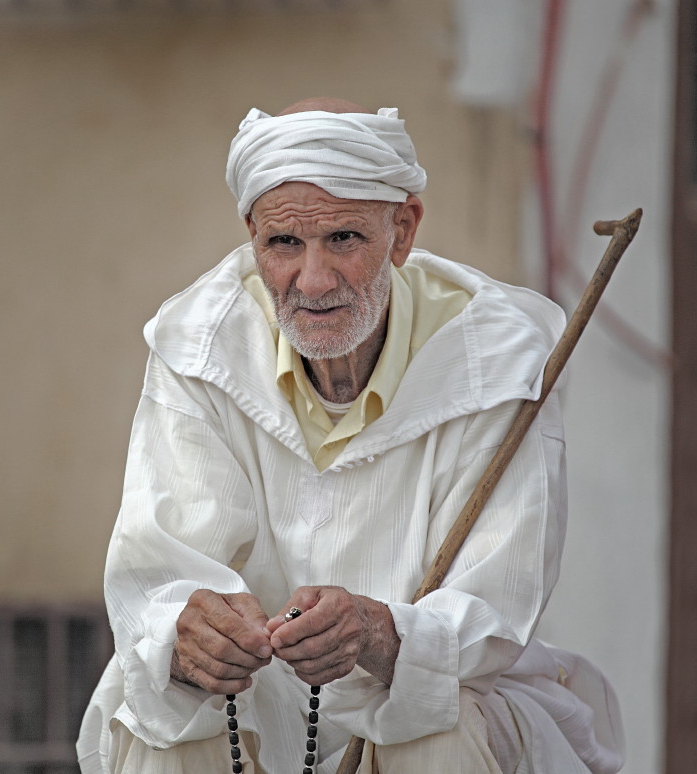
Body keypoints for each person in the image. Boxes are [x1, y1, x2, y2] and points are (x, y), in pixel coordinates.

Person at [76, 97, 624, 774]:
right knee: (166, 720)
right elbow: (159, 570)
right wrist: (189, 630)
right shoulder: (200, 351)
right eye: (284, 244)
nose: (313, 280)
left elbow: (494, 611)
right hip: (262, 701)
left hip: (443, 696)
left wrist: (379, 633)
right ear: (252, 235)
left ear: (402, 230)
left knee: (432, 731)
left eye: (343, 239)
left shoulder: (499, 364)